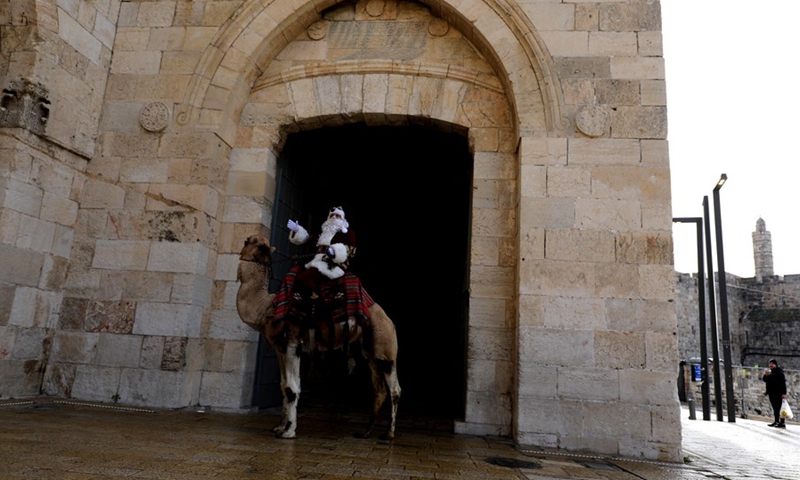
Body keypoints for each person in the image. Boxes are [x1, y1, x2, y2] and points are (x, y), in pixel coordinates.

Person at [761, 358, 788, 428]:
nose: (770, 365)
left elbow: (783, 383)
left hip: (778, 393)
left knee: (780, 408)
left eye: (772, 364)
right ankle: (776, 421)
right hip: (772, 393)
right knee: (775, 408)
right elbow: (765, 380)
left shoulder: (779, 372)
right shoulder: (770, 372)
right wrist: (766, 375)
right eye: (770, 364)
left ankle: (782, 423)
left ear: (775, 364)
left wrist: (784, 393)